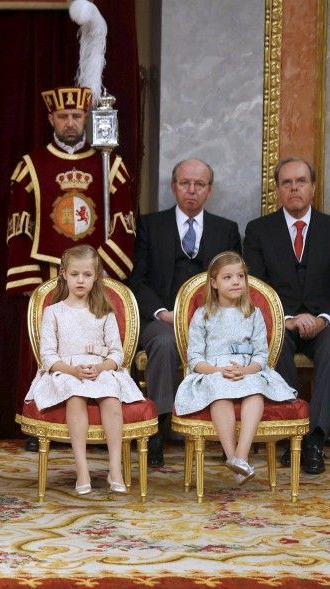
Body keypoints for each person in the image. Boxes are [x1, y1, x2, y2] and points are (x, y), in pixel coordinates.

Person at [6, 85, 136, 451]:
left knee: (97, 348)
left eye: (76, 116)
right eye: (62, 116)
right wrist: (31, 284)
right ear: (51, 119)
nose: (69, 122)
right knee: (47, 349)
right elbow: (19, 227)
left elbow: (124, 224)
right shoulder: (31, 165)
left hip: (97, 274)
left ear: (87, 119)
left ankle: (96, 426)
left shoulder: (110, 165)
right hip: (47, 273)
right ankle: (40, 424)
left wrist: (104, 269)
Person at [128, 159, 241, 467]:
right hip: (163, 319)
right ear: (173, 186)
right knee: (164, 344)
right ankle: (158, 429)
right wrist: (164, 313)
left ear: (209, 190)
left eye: (199, 185)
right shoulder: (150, 225)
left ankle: (227, 434)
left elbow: (236, 281)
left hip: (213, 320)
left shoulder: (226, 230)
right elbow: (137, 280)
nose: (191, 190)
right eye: (185, 183)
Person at [244, 157, 330, 475]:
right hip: (280, 321)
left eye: (301, 181)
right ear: (278, 189)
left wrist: (323, 319)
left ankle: (314, 440)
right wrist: (283, 318)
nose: (294, 187)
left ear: (313, 187)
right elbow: (253, 289)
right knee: (275, 340)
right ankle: (291, 432)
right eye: (287, 182)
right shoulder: (258, 231)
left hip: (323, 325)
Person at [24, 245, 144, 494]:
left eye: (87, 275)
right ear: (64, 274)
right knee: (74, 394)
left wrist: (100, 367)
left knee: (111, 395)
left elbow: (117, 355)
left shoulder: (104, 311)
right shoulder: (53, 312)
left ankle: (115, 469)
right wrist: (72, 370)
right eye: (75, 274)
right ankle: (82, 470)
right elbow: (48, 357)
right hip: (65, 372)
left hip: (99, 369)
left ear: (96, 276)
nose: (81, 280)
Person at [174, 252, 296, 484]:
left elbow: (262, 355)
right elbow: (195, 359)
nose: (236, 281)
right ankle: (231, 456)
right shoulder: (203, 316)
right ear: (214, 283)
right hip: (213, 371)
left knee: (256, 391)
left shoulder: (253, 314)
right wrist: (217, 371)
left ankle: (241, 456)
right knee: (219, 392)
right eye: (228, 277)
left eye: (240, 276)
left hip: (247, 371)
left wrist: (247, 370)